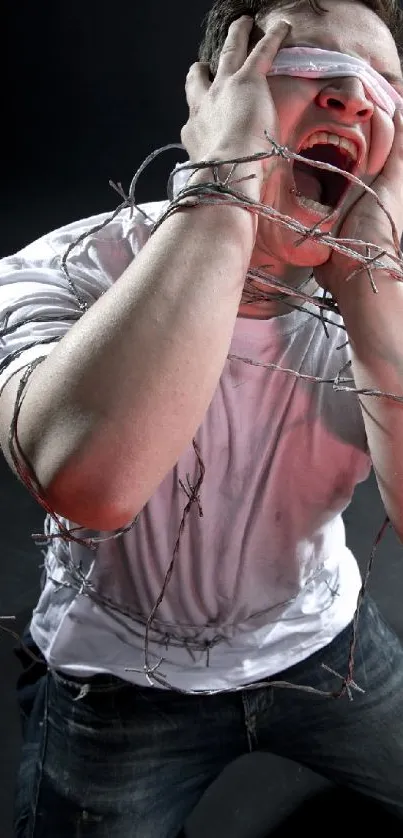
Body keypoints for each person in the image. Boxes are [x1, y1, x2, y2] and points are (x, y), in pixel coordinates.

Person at [2, 0, 403, 835]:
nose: (352, 97)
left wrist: (372, 280)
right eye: (307, 62)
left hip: (325, 647)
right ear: (219, 95)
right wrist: (225, 182)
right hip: (115, 686)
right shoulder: (61, 270)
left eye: (382, 85)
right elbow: (88, 479)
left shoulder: (388, 305)